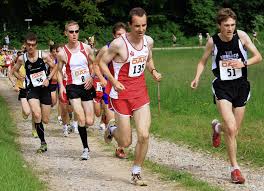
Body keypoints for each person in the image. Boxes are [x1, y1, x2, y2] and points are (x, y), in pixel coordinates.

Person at [190, 8, 262, 184]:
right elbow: (202, 61)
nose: (230, 29)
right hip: (222, 86)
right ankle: (235, 169)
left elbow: (258, 57)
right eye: (226, 25)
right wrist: (197, 77)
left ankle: (216, 128)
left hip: (241, 86)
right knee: (231, 128)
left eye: (232, 25)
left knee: (233, 129)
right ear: (219, 26)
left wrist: (243, 63)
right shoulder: (212, 41)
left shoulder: (242, 36)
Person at [99, 7, 162, 186]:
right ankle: (111, 129)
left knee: (144, 135)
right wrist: (113, 80)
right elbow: (103, 63)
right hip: (121, 96)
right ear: (129, 25)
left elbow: (148, 60)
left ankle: (136, 171)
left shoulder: (148, 41)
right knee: (126, 142)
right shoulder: (119, 44)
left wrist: (154, 71)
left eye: (144, 25)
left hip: (140, 94)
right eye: (137, 26)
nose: (141, 30)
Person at [57, 20, 96, 160]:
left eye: (76, 31)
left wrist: (92, 77)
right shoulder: (62, 53)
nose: (74, 34)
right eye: (71, 32)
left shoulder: (86, 48)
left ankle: (84, 130)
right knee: (80, 117)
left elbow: (94, 64)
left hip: (86, 85)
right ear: (66, 33)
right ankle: (85, 148)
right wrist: (61, 86)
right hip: (72, 87)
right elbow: (59, 72)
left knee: (90, 121)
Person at [13, 32, 56, 153]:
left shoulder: (44, 56)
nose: (30, 47)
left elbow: (54, 67)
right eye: (28, 45)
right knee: (37, 115)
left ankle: (38, 122)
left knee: (45, 119)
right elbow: (14, 70)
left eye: (33, 45)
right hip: (31, 89)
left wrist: (48, 79)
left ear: (36, 45)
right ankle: (43, 143)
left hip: (44, 89)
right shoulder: (22, 58)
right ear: (25, 45)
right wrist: (20, 77)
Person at [94, 22, 128, 159]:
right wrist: (101, 78)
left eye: (124, 34)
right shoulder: (106, 49)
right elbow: (96, 64)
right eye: (119, 35)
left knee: (123, 121)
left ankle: (116, 139)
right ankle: (119, 147)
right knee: (114, 120)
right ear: (114, 35)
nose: (121, 37)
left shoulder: (128, 49)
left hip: (124, 88)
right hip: (109, 87)